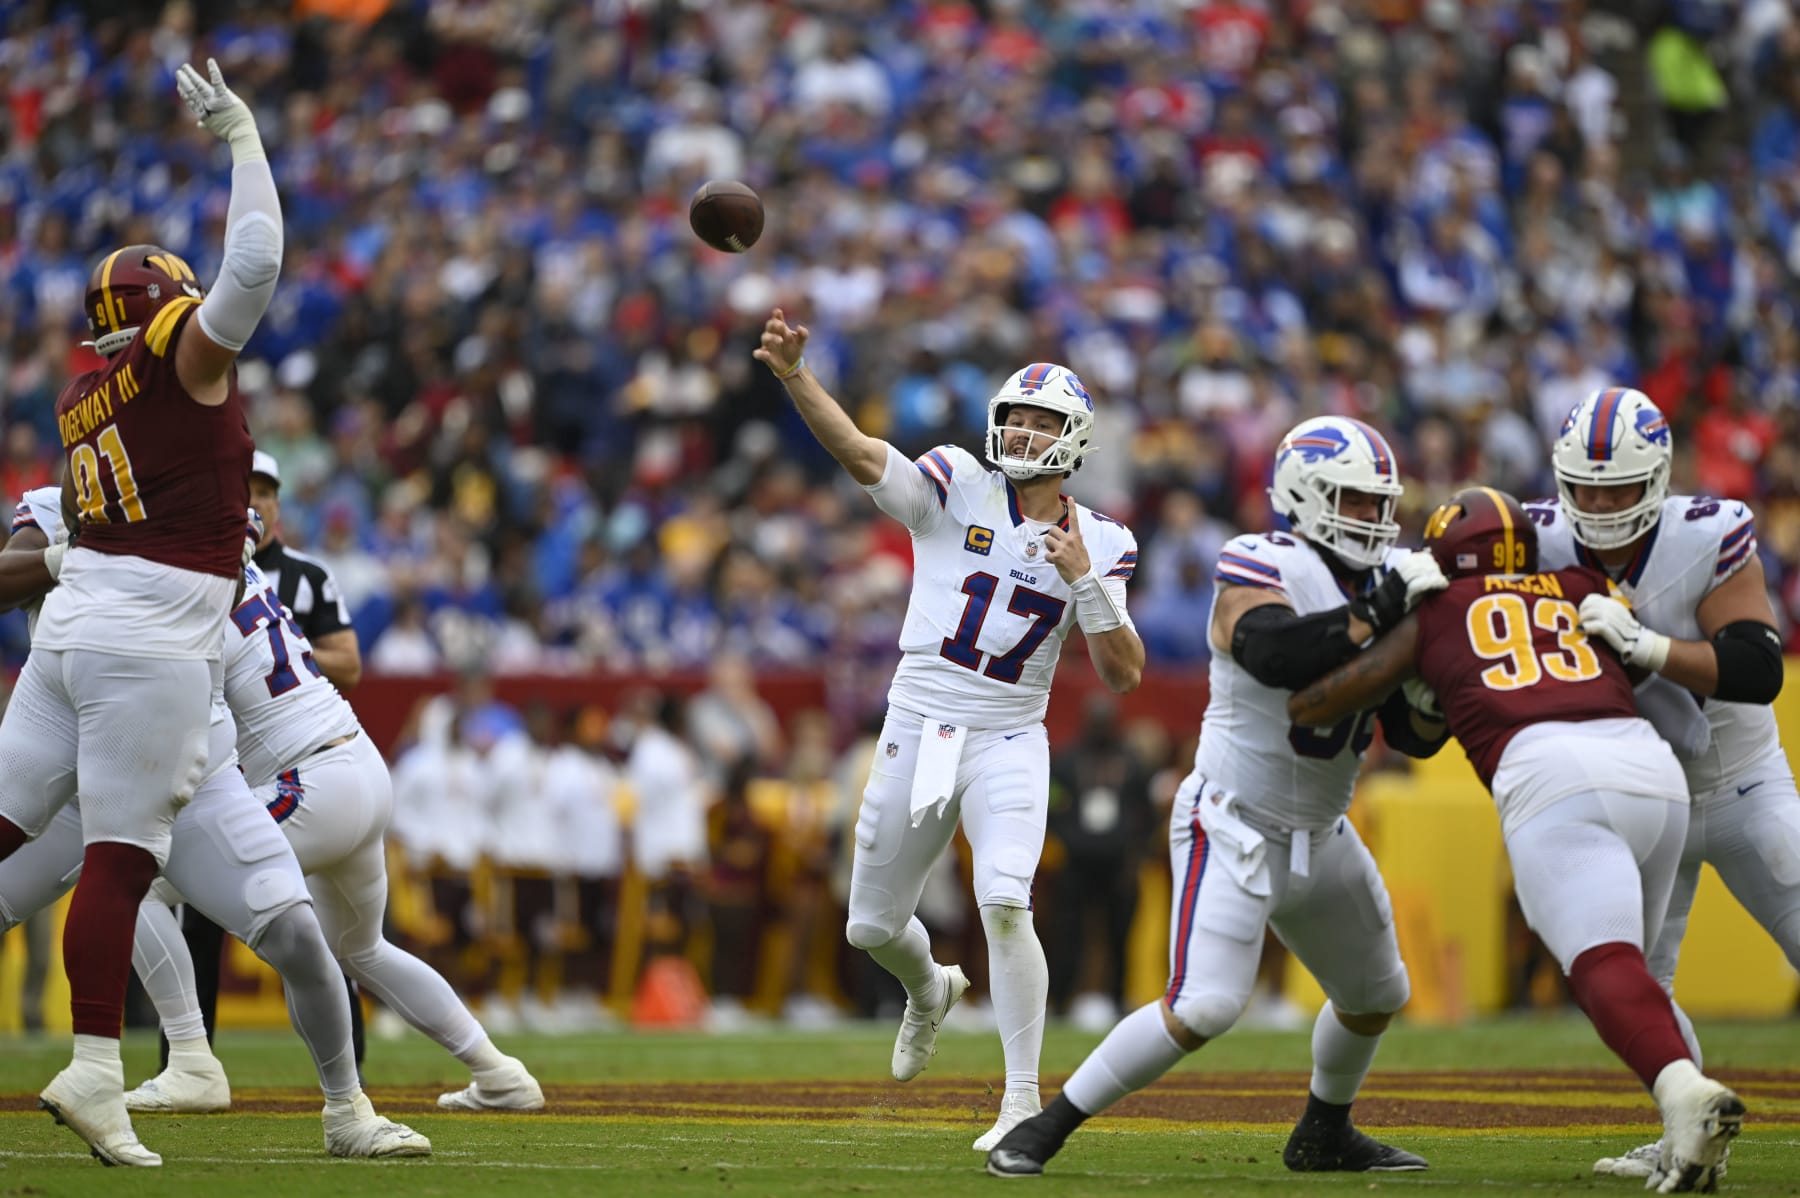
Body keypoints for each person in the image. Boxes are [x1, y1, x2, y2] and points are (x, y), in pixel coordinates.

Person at [988, 415, 1447, 1179]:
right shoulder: (1263, 557)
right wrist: (1380, 615)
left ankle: (1324, 1133)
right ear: (1305, 496)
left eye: (1378, 503)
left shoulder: (1388, 579)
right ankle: (1045, 1125)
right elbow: (1271, 651)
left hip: (1322, 829)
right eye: (1353, 501)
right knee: (1203, 1006)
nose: (1371, 518)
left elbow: (1410, 733)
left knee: (1376, 993)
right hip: (1233, 821)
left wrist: (1427, 693)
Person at [754, 311, 1145, 1151]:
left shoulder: (1104, 541)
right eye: (1017, 415)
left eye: (1043, 421)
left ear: (1075, 441)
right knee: (870, 927)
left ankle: (1020, 1102)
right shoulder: (955, 481)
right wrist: (794, 376)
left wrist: (1086, 585)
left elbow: (1124, 671)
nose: (1024, 430)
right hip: (926, 729)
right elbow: (862, 453)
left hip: (1009, 736)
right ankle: (930, 988)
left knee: (1006, 899)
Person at [1285, 487, 1745, 1194]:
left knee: (1602, 966)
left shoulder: (1435, 609)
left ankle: (1686, 1095)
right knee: (1637, 977)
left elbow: (1331, 696)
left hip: (1551, 775)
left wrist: (1388, 684)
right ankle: (1683, 1128)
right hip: (1651, 770)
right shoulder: (1582, 582)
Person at [0, 59, 281, 1166]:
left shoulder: (81, 397)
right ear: (163, 310)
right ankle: (97, 1068)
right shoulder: (176, 360)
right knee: (119, 860)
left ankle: (107, 1064)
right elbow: (252, 266)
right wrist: (245, 143)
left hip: (72, 631)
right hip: (152, 633)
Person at [0, 491, 428, 1161]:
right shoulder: (61, 508)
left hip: (191, 761)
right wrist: (70, 555)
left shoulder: (204, 498)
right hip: (75, 765)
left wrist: (177, 551)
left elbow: (224, 597)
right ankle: (181, 1059)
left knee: (296, 932)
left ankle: (347, 1110)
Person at [119, 550, 542, 1114]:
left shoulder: (191, 589)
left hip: (309, 782)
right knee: (362, 948)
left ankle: (192, 1060)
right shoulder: (241, 575)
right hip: (358, 761)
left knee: (134, 882)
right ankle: (499, 1072)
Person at [1528, 386, 1793, 1182]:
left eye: (1620, 486)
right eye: (1586, 487)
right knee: (1637, 980)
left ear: (1661, 477)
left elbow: (1756, 666)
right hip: (1646, 796)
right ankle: (1691, 1128)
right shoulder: (1537, 540)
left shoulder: (1706, 533)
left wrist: (1648, 647)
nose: (1601, 503)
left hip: (1743, 786)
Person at [176, 447, 368, 1073]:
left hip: (299, 766)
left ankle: (347, 1075)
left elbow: (351, 662)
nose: (256, 500)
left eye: (266, 490)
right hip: (238, 762)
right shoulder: (204, 564)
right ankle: (186, 1055)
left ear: (280, 501)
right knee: (201, 913)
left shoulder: (306, 576)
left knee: (329, 933)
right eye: (246, 487)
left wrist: (283, 646)